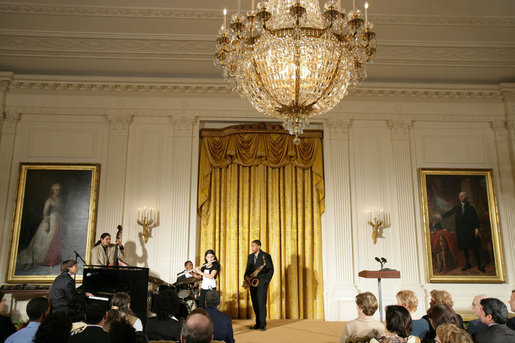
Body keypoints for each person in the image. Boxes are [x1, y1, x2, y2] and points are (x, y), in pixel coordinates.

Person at [434, 191, 484, 272]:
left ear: (466, 197)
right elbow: (450, 213)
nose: (461, 197)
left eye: (463, 196)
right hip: (462, 231)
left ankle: (479, 265)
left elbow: (476, 219)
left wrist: (476, 228)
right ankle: (468, 264)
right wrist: (441, 216)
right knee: (465, 248)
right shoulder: (457, 207)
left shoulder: (471, 208)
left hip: (470, 231)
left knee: (475, 248)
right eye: (460, 196)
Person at [17, 183, 63, 270]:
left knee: (56, 241)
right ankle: (47, 261)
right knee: (47, 241)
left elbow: (59, 212)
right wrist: (47, 224)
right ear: (53, 190)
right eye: (56, 190)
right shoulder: (49, 200)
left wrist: (62, 220)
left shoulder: (59, 200)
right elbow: (45, 212)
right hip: (50, 221)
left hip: (57, 221)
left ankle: (54, 260)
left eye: (59, 189)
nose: (58, 191)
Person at [244, 240, 274, 331]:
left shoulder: (266, 256)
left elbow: (271, 270)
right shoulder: (250, 257)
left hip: (261, 283)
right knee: (255, 304)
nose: (252, 248)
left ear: (259, 246)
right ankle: (257, 323)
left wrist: (265, 282)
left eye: (253, 246)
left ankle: (262, 324)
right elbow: (247, 270)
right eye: (251, 246)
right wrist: (246, 277)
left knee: (261, 303)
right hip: (252, 283)